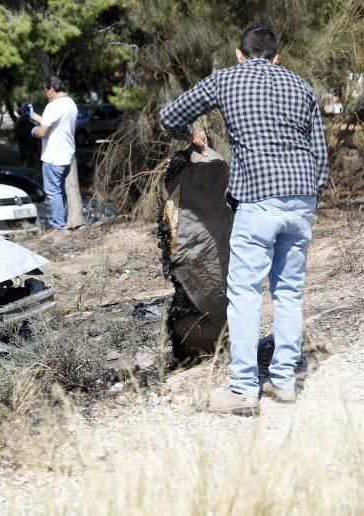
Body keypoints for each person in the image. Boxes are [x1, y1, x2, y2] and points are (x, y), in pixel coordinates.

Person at [160, 26, 328, 416]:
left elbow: (170, 115)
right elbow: (319, 152)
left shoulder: (226, 78)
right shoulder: (301, 85)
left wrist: (191, 135)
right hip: (301, 195)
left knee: (245, 293)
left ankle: (243, 391)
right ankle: (284, 382)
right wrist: (309, 196)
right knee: (288, 290)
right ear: (276, 56)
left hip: (257, 199)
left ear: (239, 54)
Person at [28, 76, 78, 231]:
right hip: (66, 156)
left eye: (46, 91)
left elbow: (42, 131)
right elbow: (53, 123)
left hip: (53, 157)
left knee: (53, 192)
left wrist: (33, 130)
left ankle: (58, 227)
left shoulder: (53, 106)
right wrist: (32, 115)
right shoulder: (70, 103)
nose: (46, 94)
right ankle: (61, 224)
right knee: (59, 191)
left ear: (52, 89)